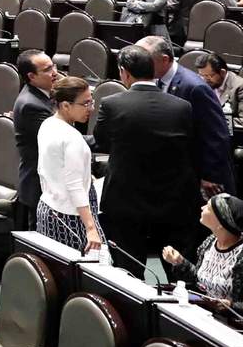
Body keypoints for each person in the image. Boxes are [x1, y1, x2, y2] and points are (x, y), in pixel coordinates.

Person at [95, 44, 201, 262]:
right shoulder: (182, 106)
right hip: (173, 201)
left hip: (126, 202)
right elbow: (190, 145)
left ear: (124, 72)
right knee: (178, 271)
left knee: (129, 272)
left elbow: (102, 142)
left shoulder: (111, 104)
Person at [139, 35, 234, 196]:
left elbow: (216, 135)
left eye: (145, 60)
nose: (139, 65)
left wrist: (209, 175)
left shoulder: (195, 87)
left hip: (200, 177)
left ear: (164, 59)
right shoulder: (154, 81)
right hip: (175, 175)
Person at [35, 76, 103, 253]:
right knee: (92, 271)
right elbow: (74, 186)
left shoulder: (47, 124)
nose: (92, 108)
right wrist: (90, 228)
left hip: (48, 208)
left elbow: (48, 169)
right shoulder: (72, 138)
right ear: (65, 105)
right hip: (72, 216)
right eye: (86, 103)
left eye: (91, 101)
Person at [162, 193, 243, 307]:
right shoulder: (210, 242)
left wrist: (231, 306)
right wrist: (179, 261)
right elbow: (199, 281)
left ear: (221, 223)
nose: (202, 207)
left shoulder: (240, 255)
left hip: (228, 323)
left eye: (208, 207)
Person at [13, 50, 59, 229]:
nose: (54, 72)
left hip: (50, 182)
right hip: (40, 184)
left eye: (53, 66)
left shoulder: (44, 96)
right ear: (31, 76)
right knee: (42, 247)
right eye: (48, 69)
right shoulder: (31, 105)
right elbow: (60, 139)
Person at [197, 52, 243, 117]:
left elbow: (241, 122)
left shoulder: (239, 87)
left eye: (209, 76)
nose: (204, 79)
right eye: (202, 75)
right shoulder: (200, 81)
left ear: (222, 72)